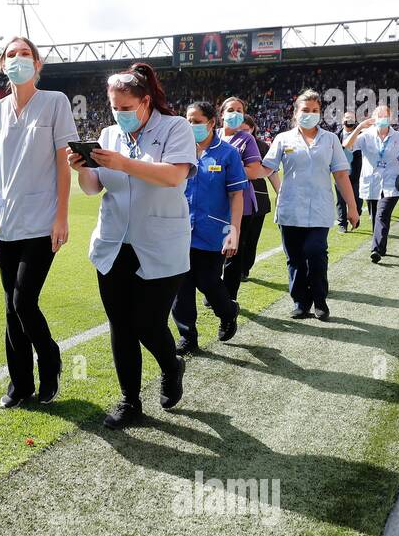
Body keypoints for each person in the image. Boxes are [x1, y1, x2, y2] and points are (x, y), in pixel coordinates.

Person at [67, 62, 195, 429]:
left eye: (126, 108)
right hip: (113, 243)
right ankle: (130, 401)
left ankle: (172, 365)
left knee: (148, 323)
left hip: (160, 242)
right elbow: (94, 189)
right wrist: (82, 169)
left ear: (146, 101)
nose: (119, 115)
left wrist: (124, 164)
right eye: (114, 108)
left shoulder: (175, 128)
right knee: (120, 325)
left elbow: (173, 175)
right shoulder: (108, 136)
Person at [0, 35, 76, 408]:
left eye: (25, 54)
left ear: (37, 64)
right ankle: (19, 385)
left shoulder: (54, 103)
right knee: (10, 307)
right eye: (11, 54)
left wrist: (62, 216)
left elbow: (64, 163)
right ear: (2, 64)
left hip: (42, 222)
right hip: (7, 223)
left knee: (23, 301)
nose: (17, 59)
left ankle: (50, 363)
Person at [255, 89, 358, 321]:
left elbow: (341, 175)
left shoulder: (330, 139)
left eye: (315, 111)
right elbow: (266, 168)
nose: (310, 114)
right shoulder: (283, 139)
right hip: (290, 209)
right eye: (305, 110)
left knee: (316, 252)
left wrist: (352, 207)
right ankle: (301, 301)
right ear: (296, 112)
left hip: (320, 209)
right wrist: (241, 169)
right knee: (295, 259)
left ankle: (320, 299)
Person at [172, 101, 246, 353]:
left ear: (212, 122)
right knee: (181, 285)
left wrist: (233, 231)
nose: (190, 125)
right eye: (187, 120)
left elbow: (237, 195)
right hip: (178, 230)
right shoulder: (179, 151)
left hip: (212, 231)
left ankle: (228, 311)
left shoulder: (227, 154)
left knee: (208, 282)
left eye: (196, 121)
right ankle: (187, 335)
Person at [218, 97, 276, 300]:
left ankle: (229, 297)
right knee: (213, 252)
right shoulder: (212, 137)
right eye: (230, 109)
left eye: (239, 110)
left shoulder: (246, 139)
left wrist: (221, 170)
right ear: (221, 114)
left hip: (241, 205)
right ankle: (215, 289)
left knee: (233, 254)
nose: (235, 113)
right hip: (213, 205)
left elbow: (253, 172)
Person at [345, 105, 399, 263]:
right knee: (376, 217)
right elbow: (347, 145)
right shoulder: (365, 135)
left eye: (385, 116)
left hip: (392, 182)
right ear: (373, 118)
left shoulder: (398, 137)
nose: (382, 119)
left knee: (382, 214)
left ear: (390, 118)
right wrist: (360, 127)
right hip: (372, 182)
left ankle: (376, 249)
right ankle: (382, 246)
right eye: (379, 116)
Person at [335, 111, 364, 232]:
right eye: (347, 118)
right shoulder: (336, 135)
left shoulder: (362, 135)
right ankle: (342, 224)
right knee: (341, 200)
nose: (349, 120)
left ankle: (356, 216)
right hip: (340, 172)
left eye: (352, 118)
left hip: (357, 174)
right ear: (342, 120)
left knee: (357, 199)